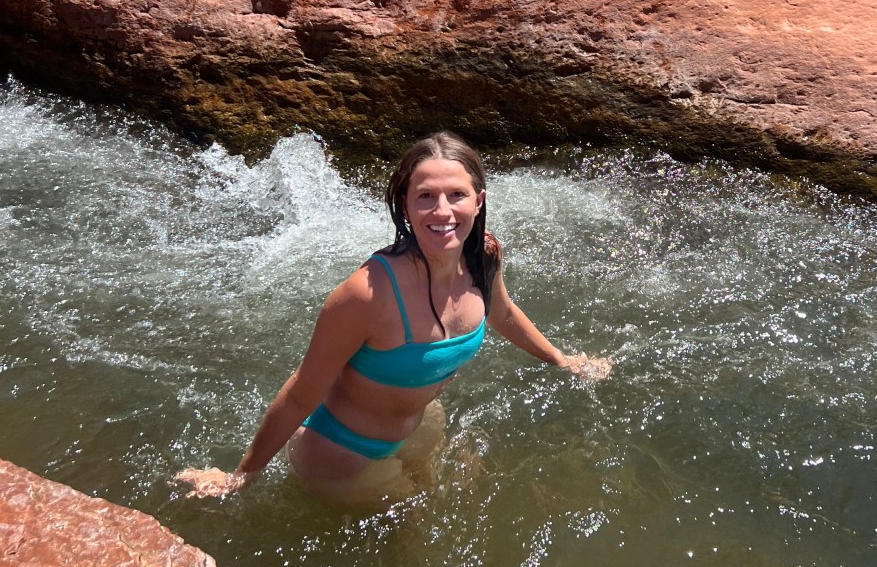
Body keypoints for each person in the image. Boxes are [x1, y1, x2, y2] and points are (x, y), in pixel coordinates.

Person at [176, 132, 610, 506]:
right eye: (425, 197)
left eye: (456, 195)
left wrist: (562, 359)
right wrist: (241, 476)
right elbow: (299, 394)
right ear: (405, 205)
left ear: (478, 202)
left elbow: (502, 312)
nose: (442, 211)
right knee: (424, 532)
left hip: (419, 422)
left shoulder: (484, 257)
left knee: (457, 491)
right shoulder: (366, 295)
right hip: (342, 454)